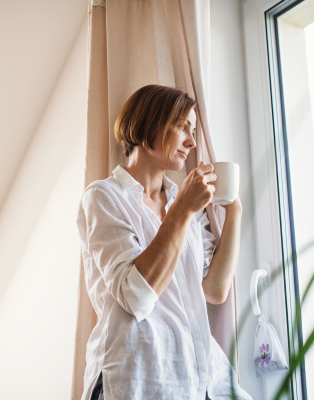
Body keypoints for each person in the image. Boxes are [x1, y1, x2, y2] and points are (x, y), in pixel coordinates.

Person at [77, 85, 252, 400]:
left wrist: (234, 208)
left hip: (201, 375)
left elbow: (214, 289)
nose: (192, 140)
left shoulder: (182, 202)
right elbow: (137, 296)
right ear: (149, 122)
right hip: (140, 376)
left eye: (194, 129)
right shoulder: (104, 197)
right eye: (182, 126)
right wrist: (183, 209)